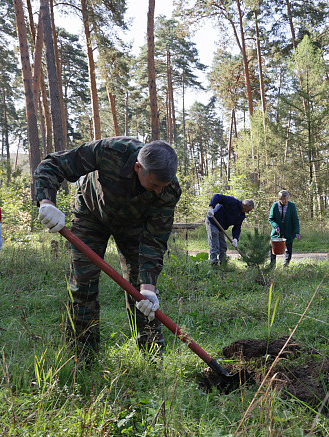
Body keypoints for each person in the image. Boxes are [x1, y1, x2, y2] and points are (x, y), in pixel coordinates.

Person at [34, 137, 182, 363]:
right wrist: (47, 202)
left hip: (134, 226)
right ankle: (82, 359)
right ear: (138, 167)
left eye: (163, 186)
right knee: (83, 287)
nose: (159, 191)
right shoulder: (111, 151)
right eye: (154, 186)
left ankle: (153, 357)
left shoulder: (168, 189)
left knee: (141, 295)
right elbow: (53, 164)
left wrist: (148, 287)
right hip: (91, 217)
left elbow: (155, 238)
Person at [206, 194, 254, 265]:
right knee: (215, 245)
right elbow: (217, 196)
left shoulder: (241, 215)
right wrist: (211, 207)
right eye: (248, 210)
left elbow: (237, 227)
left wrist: (235, 239)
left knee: (223, 247)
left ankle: (223, 265)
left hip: (221, 226)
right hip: (213, 221)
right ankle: (214, 265)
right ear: (244, 205)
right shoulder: (232, 202)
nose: (248, 212)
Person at [268, 190, 300, 268]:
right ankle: (272, 265)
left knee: (288, 248)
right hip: (277, 230)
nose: (286, 201)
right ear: (280, 199)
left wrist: (297, 231)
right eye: (284, 199)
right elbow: (271, 219)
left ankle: (285, 265)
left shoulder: (292, 206)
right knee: (272, 247)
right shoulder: (275, 206)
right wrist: (276, 226)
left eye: (287, 199)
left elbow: (295, 219)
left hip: (289, 230)